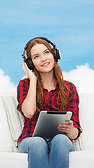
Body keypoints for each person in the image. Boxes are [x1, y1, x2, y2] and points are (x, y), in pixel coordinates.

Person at [17, 37, 82, 168]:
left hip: (59, 142)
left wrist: (70, 130)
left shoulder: (70, 88)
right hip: (30, 141)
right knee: (38, 143)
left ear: (54, 55)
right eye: (36, 56)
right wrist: (33, 80)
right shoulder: (25, 84)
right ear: (30, 63)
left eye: (46, 52)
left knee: (61, 139)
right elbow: (29, 112)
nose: (43, 59)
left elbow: (75, 133)